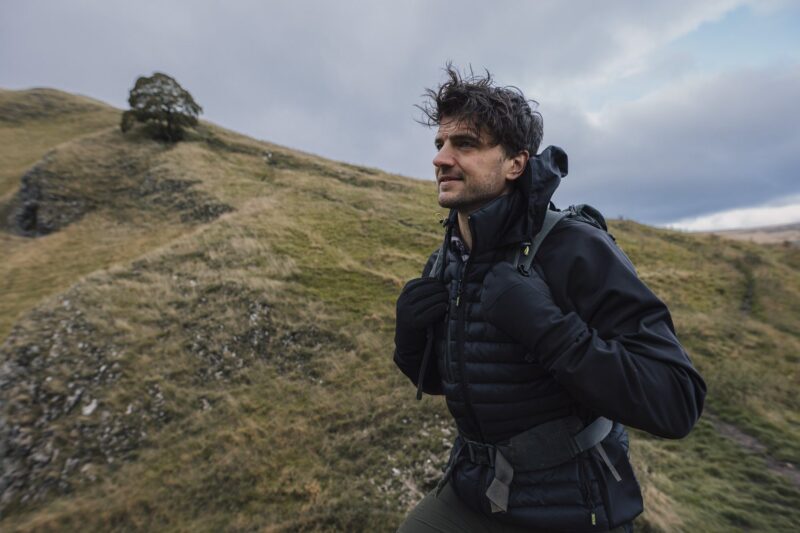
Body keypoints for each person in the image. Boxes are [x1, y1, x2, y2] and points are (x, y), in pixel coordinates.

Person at [393, 66, 707, 532]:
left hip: (572, 505)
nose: (441, 158)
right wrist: (411, 341)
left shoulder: (574, 248)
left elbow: (676, 401)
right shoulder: (448, 257)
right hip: (475, 490)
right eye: (440, 145)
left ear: (515, 164)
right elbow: (468, 380)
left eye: (465, 144)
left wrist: (549, 329)